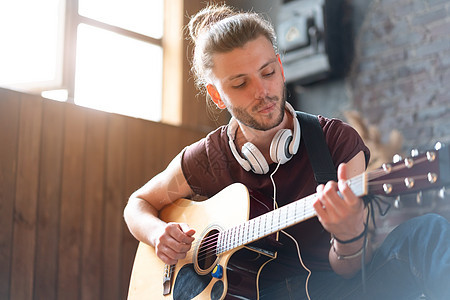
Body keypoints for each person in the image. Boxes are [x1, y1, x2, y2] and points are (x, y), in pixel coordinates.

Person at [124, 4, 450, 299]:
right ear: (217, 95)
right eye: (240, 84)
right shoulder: (208, 158)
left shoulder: (336, 142)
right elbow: (137, 204)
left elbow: (352, 268)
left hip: (332, 290)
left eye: (268, 72)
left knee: (429, 233)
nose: (263, 92)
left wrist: (348, 235)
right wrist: (158, 234)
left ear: (281, 67)